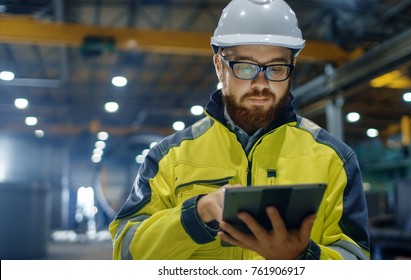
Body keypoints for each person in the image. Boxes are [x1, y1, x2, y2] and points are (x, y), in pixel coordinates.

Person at [109, 0, 370, 260]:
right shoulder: (169, 157)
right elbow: (126, 254)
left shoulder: (334, 159)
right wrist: (194, 216)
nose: (261, 83)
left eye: (276, 68)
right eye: (245, 67)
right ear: (219, 66)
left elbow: (356, 259)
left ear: (292, 68)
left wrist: (302, 258)